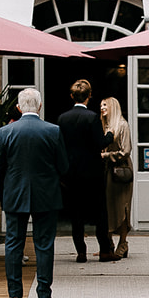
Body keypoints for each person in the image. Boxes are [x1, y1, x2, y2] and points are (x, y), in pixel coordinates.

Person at [0, 87, 69, 298]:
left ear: (18, 107)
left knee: (14, 244)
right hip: (46, 194)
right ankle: (44, 295)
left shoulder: (6, 132)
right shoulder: (52, 130)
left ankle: (15, 295)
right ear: (40, 106)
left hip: (15, 193)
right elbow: (63, 166)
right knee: (44, 245)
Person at [57, 79, 116, 262]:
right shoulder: (92, 117)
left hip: (71, 174)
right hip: (92, 172)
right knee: (100, 213)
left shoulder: (62, 118)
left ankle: (81, 252)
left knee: (76, 214)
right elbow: (100, 143)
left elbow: (60, 146)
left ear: (71, 96)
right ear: (89, 96)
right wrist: (110, 135)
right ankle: (105, 251)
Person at [100, 95, 133, 259]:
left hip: (121, 170)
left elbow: (126, 151)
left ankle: (123, 242)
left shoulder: (122, 125)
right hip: (108, 171)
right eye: (101, 106)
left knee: (123, 206)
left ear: (113, 106)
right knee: (109, 207)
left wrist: (106, 156)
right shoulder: (105, 126)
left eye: (105, 105)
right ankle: (110, 243)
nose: (102, 108)